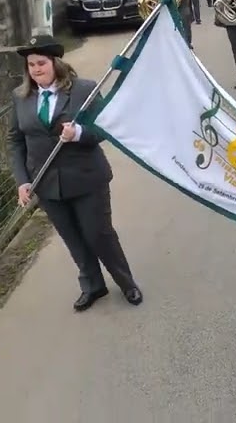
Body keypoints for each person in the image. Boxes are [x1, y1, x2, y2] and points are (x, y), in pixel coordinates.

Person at [8, 35, 142, 311]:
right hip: (46, 184)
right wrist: (22, 180)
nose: (36, 69)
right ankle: (93, 286)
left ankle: (126, 282)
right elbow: (16, 141)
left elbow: (105, 129)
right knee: (73, 239)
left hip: (86, 178)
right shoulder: (20, 98)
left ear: (55, 63)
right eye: (31, 65)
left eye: (41, 63)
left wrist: (79, 133)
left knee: (98, 234)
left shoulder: (84, 90)